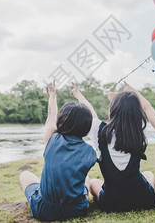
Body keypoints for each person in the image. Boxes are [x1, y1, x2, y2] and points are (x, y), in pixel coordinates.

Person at [71, 83, 155, 212]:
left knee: (94, 182)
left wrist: (78, 94)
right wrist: (119, 100)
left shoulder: (100, 132)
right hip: (143, 199)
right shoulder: (138, 131)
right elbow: (133, 111)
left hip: (112, 203)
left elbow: (91, 114)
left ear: (112, 109)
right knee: (149, 175)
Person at [19, 81, 97, 221]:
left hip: (43, 210)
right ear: (88, 124)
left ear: (62, 120)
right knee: (86, 178)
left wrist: (53, 95)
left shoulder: (52, 139)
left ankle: (38, 194)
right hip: (77, 210)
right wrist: (79, 95)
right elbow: (93, 118)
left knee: (25, 175)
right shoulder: (90, 151)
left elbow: (51, 115)